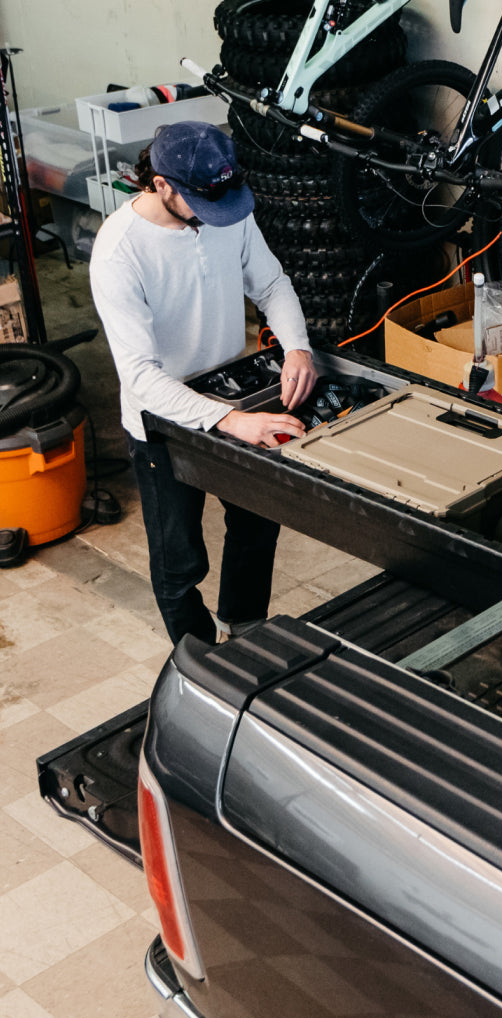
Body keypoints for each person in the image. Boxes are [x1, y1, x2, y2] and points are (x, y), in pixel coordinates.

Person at [90, 120, 317, 646]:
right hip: (161, 420)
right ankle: (200, 660)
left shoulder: (227, 213)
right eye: (201, 204)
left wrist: (297, 346)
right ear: (161, 183)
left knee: (258, 523)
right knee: (178, 559)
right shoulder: (119, 251)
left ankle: (245, 627)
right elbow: (140, 375)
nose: (215, 219)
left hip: (232, 391)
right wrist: (229, 420)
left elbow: (271, 282)